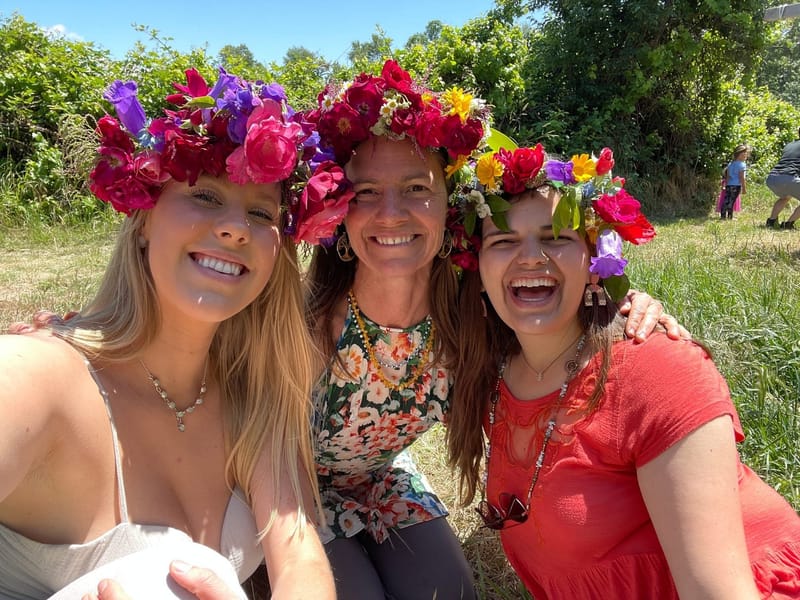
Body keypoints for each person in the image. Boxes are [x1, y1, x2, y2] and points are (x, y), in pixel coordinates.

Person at [300, 60, 686, 599]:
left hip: (383, 478)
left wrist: (623, 302)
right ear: (340, 210)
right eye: (366, 193)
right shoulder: (306, 319)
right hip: (287, 487)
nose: (391, 214)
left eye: (416, 187)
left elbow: (553, 301)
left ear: (449, 206)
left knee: (451, 596)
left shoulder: (472, 313)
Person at [0, 68, 338, 599]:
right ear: (143, 224)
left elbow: (300, 561)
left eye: (260, 212)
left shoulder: (259, 397)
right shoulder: (34, 374)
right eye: (205, 196)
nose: (235, 228)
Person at [447, 143, 800, 599]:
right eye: (503, 241)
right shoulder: (487, 368)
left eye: (555, 237)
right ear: (477, 269)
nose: (530, 257)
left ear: (593, 263)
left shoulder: (657, 367)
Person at [766, 127, 800, 230]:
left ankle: (771, 221)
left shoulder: (790, 145)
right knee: (788, 191)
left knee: (786, 197)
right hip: (789, 178)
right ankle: (788, 224)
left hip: (772, 178)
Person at [720, 143, 749, 219]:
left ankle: (724, 216)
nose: (746, 155)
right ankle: (729, 217)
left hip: (729, 185)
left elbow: (728, 176)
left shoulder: (731, 164)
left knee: (727, 200)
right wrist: (744, 188)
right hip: (736, 186)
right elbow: (742, 177)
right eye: (745, 153)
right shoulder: (742, 165)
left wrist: (725, 185)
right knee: (731, 202)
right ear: (740, 154)